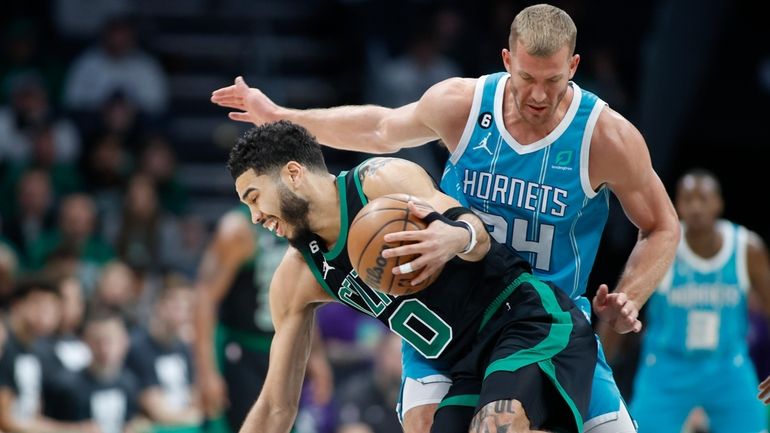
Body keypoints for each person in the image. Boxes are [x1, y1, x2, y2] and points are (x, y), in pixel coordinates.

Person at [210, 4, 680, 432]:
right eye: (526, 79)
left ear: (573, 68)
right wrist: (279, 115)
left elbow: (661, 226)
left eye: (553, 81)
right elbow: (380, 127)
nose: (538, 95)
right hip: (446, 336)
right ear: (506, 60)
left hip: (536, 310)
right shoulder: (463, 106)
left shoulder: (606, 138)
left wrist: (630, 295)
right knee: (425, 422)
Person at [227, 121, 597, 433]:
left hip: (524, 319)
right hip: (466, 362)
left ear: (293, 174)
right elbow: (277, 406)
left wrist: (452, 237)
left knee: (496, 425)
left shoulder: (377, 182)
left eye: (255, 197)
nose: (255, 216)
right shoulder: (297, 277)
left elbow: (478, 238)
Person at [629, 169, 770, 433]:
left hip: (727, 364)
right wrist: (598, 364)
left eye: (703, 199)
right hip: (667, 366)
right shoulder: (662, 245)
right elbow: (625, 302)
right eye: (687, 199)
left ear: (718, 203)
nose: (695, 207)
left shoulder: (747, 248)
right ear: (677, 204)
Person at [193, 203, 332, 433]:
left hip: (285, 350)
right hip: (241, 353)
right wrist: (206, 371)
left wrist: (316, 356)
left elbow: (300, 300)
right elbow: (204, 298)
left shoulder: (299, 225)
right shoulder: (237, 229)